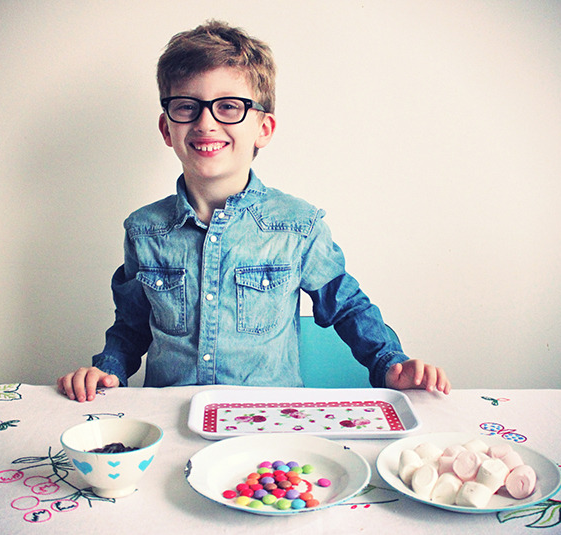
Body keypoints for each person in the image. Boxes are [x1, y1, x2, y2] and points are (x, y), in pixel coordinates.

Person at [58, 20, 450, 402]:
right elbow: (130, 327)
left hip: (269, 425)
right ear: (167, 128)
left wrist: (390, 362)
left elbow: (348, 306)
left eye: (229, 107)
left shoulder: (298, 226)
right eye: (187, 106)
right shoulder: (144, 230)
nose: (205, 122)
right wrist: (108, 367)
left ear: (263, 128)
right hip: (169, 421)